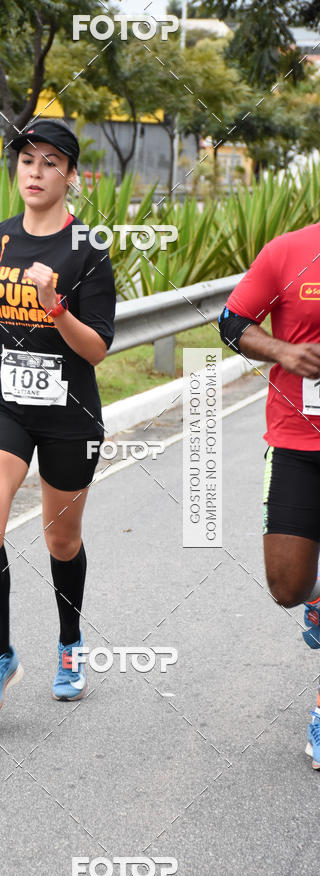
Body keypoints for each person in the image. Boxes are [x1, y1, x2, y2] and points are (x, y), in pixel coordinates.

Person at [0, 121, 116, 714]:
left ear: (70, 176)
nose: (35, 171)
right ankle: (0, 655)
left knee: (61, 539)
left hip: (68, 412)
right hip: (3, 399)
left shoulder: (89, 251)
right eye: (27, 160)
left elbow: (98, 348)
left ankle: (71, 644)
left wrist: (55, 306)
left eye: (50, 162)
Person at [219, 223, 320, 769]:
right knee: (287, 586)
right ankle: (315, 602)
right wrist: (284, 350)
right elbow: (232, 323)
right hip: (296, 442)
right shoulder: (290, 251)